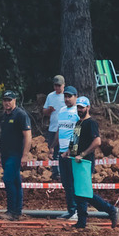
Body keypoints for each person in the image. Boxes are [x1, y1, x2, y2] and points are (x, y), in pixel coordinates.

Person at [66, 97, 119, 230]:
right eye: (78, 107)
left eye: (82, 107)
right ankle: (82, 222)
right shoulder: (78, 123)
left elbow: (97, 141)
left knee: (84, 192)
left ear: (88, 107)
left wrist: (83, 154)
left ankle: (111, 210)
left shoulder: (91, 123)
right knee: (79, 192)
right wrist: (69, 151)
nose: (79, 110)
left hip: (85, 162)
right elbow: (75, 140)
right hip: (77, 161)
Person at [0, 90, 31, 220]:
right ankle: (17, 211)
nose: (7, 102)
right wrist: (1, 155)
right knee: (16, 181)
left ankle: (12, 210)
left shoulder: (20, 115)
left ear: (15, 101)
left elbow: (27, 135)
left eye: (9, 100)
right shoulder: (5, 116)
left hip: (15, 154)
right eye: (5, 100)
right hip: (6, 154)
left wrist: (25, 155)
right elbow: (4, 137)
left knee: (8, 180)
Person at [53, 86, 80, 220]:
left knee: (73, 182)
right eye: (65, 96)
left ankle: (77, 210)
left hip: (72, 153)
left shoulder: (77, 112)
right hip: (62, 151)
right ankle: (71, 210)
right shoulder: (62, 111)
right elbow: (60, 129)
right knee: (66, 182)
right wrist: (53, 146)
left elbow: (78, 131)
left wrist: (72, 149)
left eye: (70, 96)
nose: (67, 99)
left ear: (76, 97)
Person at [41, 76, 66, 173]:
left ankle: (63, 172)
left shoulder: (67, 96)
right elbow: (44, 111)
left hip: (64, 128)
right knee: (53, 152)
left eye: (59, 85)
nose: (57, 88)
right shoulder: (50, 96)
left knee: (63, 151)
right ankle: (56, 173)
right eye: (55, 85)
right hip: (53, 127)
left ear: (63, 85)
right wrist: (49, 110)